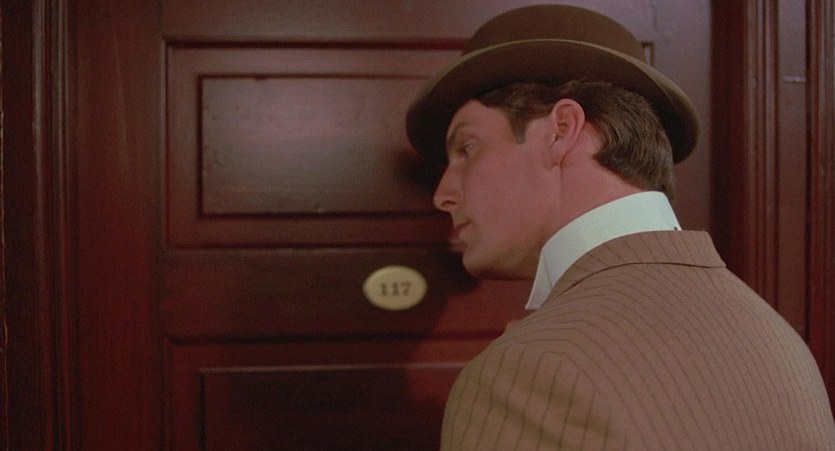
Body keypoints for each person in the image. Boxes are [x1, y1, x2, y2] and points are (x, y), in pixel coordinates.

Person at [405, 4, 835, 450]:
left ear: (561, 130)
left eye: (467, 148)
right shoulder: (779, 340)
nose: (443, 195)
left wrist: (533, 357)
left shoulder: (523, 374)